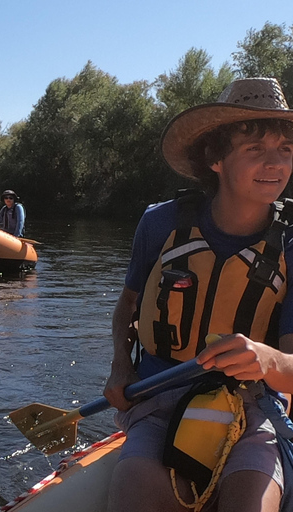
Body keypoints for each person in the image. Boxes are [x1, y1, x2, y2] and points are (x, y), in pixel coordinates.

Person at [103, 77, 293, 512]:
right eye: (254, 150)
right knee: (133, 491)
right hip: (158, 400)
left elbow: (291, 369)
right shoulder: (160, 224)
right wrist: (119, 367)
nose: (275, 163)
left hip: (252, 408)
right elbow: (128, 307)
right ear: (215, 159)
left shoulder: (292, 245)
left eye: (285, 149)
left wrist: (269, 360)